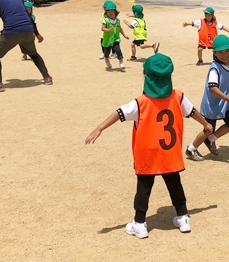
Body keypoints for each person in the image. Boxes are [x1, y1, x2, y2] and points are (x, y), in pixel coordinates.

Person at [85, 54, 213, 239]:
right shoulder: (178, 96)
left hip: (148, 154)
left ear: (147, 76)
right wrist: (206, 124)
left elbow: (119, 113)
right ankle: (183, 217)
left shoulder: (141, 102)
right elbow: (192, 112)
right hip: (170, 152)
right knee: (175, 184)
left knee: (144, 188)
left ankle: (139, 224)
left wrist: (99, 128)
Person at [185, 34, 229, 160]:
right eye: (220, 52)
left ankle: (211, 140)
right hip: (212, 104)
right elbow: (212, 87)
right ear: (214, 53)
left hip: (223, 103)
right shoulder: (215, 68)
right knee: (208, 129)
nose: (225, 54)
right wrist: (226, 97)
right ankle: (191, 149)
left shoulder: (228, 63)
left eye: (227, 51)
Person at [101, 1, 129, 70]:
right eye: (108, 11)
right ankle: (107, 60)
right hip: (107, 39)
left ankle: (121, 62)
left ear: (115, 12)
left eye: (111, 11)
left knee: (118, 50)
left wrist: (124, 35)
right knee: (106, 53)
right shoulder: (106, 20)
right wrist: (108, 30)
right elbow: (102, 28)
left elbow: (120, 28)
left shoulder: (118, 20)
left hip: (115, 39)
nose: (110, 13)